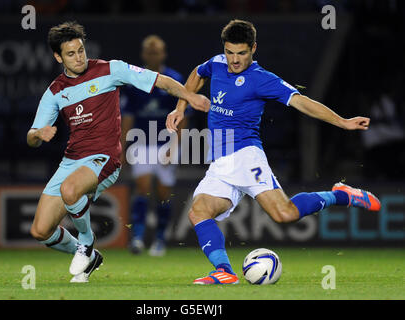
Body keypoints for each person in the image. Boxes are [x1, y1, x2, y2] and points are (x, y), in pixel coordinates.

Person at [166, 19, 381, 285]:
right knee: (198, 212)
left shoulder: (262, 80)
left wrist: (342, 122)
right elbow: (197, 74)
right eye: (230, 52)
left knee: (285, 214)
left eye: (241, 53)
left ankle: (340, 195)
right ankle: (224, 271)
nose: (234, 60)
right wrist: (180, 107)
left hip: (245, 155)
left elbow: (303, 102)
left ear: (253, 48)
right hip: (220, 162)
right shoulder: (217, 63)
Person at [27, 21, 209, 283]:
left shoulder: (111, 69)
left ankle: (86, 243)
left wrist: (189, 97)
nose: (79, 57)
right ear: (58, 56)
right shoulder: (55, 91)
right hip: (72, 161)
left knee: (70, 190)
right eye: (70, 53)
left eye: (81, 50)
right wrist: (38, 135)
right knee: (41, 230)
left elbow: (161, 80)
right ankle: (91, 257)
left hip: (104, 158)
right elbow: (32, 136)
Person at [120, 35, 187, 256]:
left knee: (164, 193)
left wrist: (175, 147)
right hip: (142, 143)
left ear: (163, 54)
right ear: (143, 54)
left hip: (166, 142)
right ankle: (138, 238)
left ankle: (159, 240)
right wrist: (121, 147)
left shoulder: (174, 79)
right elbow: (127, 118)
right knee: (142, 188)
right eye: (149, 51)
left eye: (156, 51)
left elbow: (182, 118)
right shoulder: (134, 81)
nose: (152, 55)